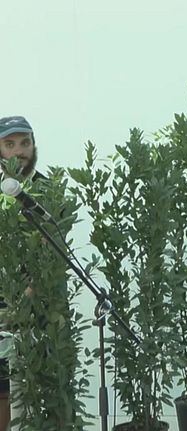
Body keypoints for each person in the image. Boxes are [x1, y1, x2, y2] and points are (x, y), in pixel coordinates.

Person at [0, 115, 40, 431]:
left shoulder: (47, 191)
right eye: (10, 144)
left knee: (37, 407)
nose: (19, 151)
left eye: (25, 143)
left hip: (38, 319)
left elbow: (53, 257)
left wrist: (26, 299)